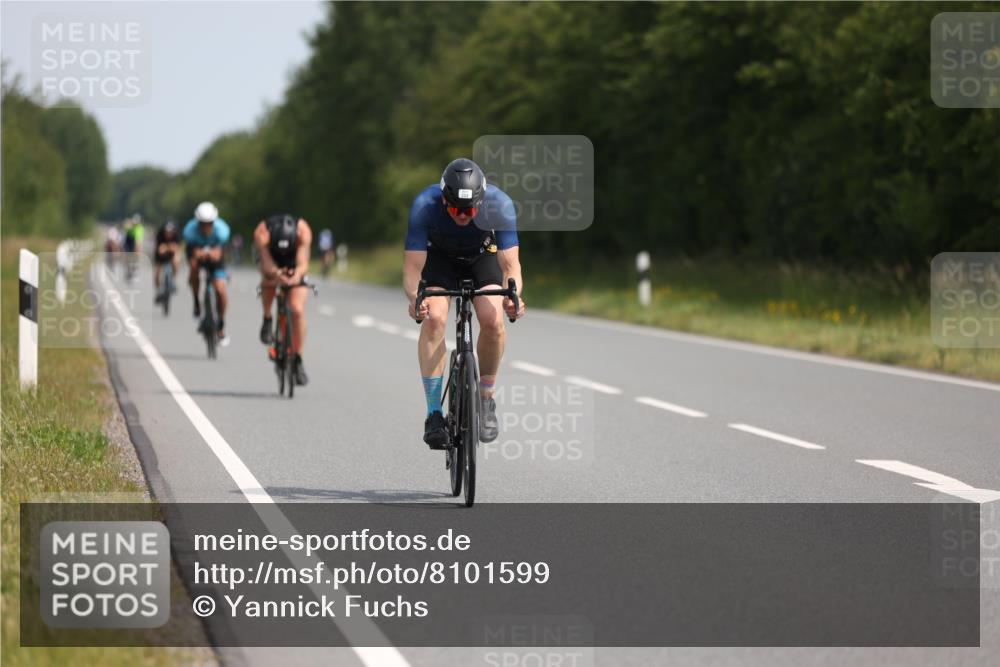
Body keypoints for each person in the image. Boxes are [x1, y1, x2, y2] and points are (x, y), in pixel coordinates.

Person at [403, 158, 524, 449]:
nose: (463, 216)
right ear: (444, 200)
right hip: (440, 260)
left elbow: (511, 267)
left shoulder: (500, 204)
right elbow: (412, 269)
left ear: (481, 202)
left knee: (493, 321)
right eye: (456, 209)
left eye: (470, 210)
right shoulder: (424, 205)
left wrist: (514, 298)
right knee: (433, 318)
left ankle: (486, 399)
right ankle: (434, 413)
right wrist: (414, 299)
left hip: (482, 257)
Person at [254, 214, 313, 385]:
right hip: (271, 260)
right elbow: (265, 263)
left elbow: (303, 263)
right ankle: (267, 317)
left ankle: (298, 359)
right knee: (268, 282)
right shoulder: (262, 232)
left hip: (294, 263)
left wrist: (296, 275)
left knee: (297, 309)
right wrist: (277, 274)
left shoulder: (303, 231)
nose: (283, 251)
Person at [183, 202, 231, 345]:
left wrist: (212, 254)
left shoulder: (222, 230)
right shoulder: (190, 231)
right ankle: (197, 301)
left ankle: (221, 323)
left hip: (216, 256)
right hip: (196, 254)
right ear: (197, 222)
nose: (206, 226)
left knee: (221, 290)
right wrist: (199, 255)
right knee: (193, 266)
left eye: (209, 223)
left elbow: (219, 253)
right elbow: (193, 252)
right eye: (202, 223)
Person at [153, 220, 181, 303]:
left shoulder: (177, 236)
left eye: (170, 232)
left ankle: (173, 280)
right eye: (167, 232)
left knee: (176, 259)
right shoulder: (160, 235)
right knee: (157, 272)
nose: (168, 234)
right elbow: (159, 250)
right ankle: (159, 290)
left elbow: (177, 248)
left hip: (172, 254)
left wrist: (167, 247)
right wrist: (169, 247)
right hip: (160, 256)